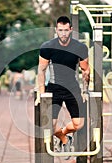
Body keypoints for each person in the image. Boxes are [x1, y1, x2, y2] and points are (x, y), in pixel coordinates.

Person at [37, 16, 90, 154]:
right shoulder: (48, 47)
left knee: (79, 124)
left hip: (73, 88)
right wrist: (41, 94)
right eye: (60, 30)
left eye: (66, 30)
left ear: (71, 30)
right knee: (50, 125)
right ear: (56, 30)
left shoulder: (80, 47)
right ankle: (64, 139)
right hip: (54, 88)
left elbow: (85, 70)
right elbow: (41, 71)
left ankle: (64, 134)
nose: (63, 34)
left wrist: (85, 91)